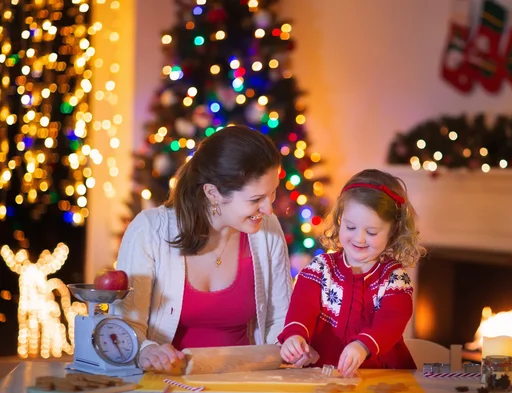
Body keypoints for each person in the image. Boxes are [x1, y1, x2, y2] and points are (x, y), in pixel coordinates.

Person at [115, 126, 293, 374]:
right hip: (168, 387)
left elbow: (280, 319)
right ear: (212, 193)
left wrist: (289, 348)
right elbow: (125, 327)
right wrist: (146, 350)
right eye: (255, 200)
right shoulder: (149, 231)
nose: (268, 209)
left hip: (247, 385)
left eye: (272, 194)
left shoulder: (267, 230)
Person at [278, 169, 426, 377]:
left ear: (393, 231)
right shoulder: (320, 268)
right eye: (350, 227)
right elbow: (302, 307)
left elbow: (392, 320)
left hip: (380, 376)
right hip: (323, 374)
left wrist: (363, 345)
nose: (360, 238)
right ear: (339, 220)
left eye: (372, 232)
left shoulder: (394, 278)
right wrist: (295, 336)